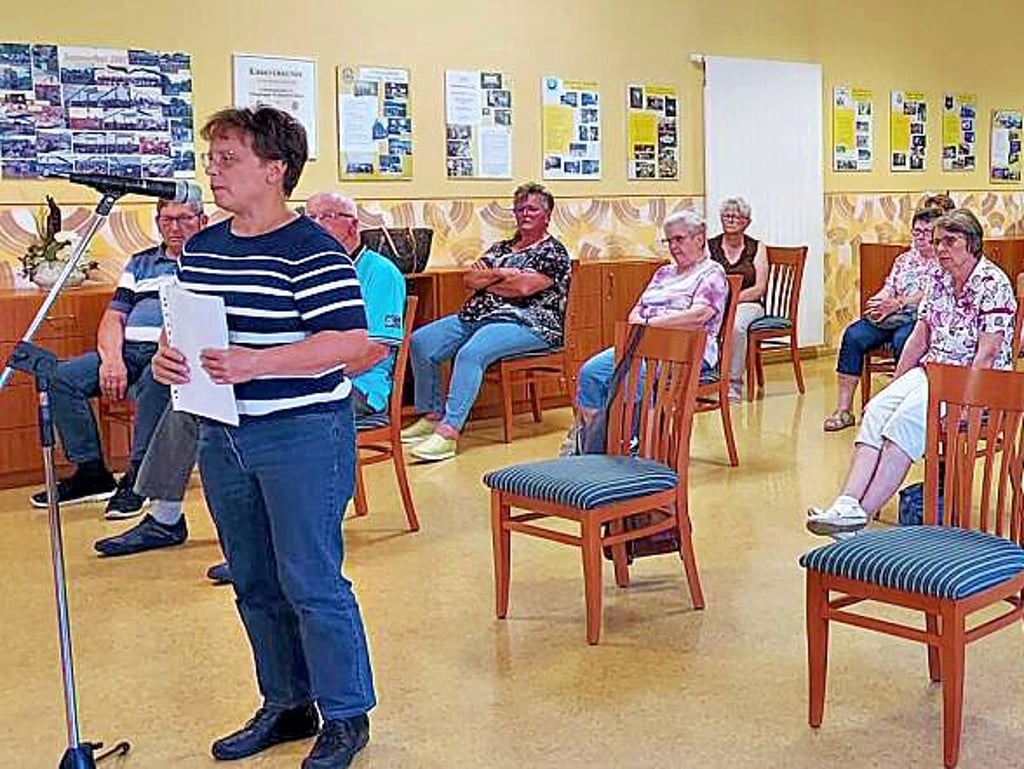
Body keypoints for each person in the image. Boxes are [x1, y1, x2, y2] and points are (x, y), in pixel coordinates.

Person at [151, 107, 379, 768]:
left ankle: (344, 713)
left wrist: (258, 360)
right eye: (212, 158)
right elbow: (187, 330)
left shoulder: (310, 248)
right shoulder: (205, 248)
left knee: (310, 578)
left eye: (228, 159)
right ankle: (286, 702)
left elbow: (353, 341)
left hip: (302, 434)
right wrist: (171, 358)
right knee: (253, 578)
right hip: (224, 436)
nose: (212, 172)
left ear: (275, 170)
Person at [94, 191, 406, 565]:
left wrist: (295, 373)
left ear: (352, 224)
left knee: (260, 414)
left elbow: (373, 350)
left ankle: (269, 544)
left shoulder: (379, 272)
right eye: (310, 215)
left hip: (355, 387)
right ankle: (166, 516)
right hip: (286, 372)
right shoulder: (294, 258)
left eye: (326, 217)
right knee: (189, 406)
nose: (314, 224)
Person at [807, 209, 1017, 538]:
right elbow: (920, 336)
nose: (941, 249)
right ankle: (845, 504)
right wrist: (896, 384)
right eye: (937, 242)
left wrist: (966, 403)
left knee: (903, 423)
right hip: (934, 370)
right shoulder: (937, 277)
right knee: (877, 411)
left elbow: (988, 354)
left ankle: (859, 517)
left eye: (950, 241)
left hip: (977, 382)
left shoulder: (993, 284)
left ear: (972, 243)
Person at [29, 200, 206, 518]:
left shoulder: (211, 262)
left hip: (171, 355)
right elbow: (114, 317)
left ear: (202, 221)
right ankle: (92, 473)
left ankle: (140, 477)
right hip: (127, 351)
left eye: (183, 219)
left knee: (157, 379)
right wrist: (111, 360)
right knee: (60, 377)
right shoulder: (140, 263)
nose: (175, 227)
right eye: (167, 220)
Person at [401, 182, 571, 462]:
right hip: (477, 316)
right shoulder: (501, 248)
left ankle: (448, 432)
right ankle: (432, 414)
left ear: (547, 215)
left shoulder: (553, 252)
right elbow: (469, 279)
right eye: (519, 209)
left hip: (530, 323)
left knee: (471, 353)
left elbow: (524, 289)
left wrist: (488, 279)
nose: (524, 214)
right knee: (421, 342)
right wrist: (503, 273)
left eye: (532, 209)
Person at [575, 210, 728, 423]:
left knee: (634, 373)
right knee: (591, 373)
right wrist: (642, 323)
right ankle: (598, 441)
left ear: (699, 238)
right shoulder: (664, 273)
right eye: (669, 240)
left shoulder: (712, 273)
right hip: (643, 344)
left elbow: (699, 315)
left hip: (685, 347)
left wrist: (651, 324)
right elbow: (636, 310)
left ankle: (638, 442)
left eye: (679, 239)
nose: (673, 246)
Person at [823, 207, 944, 432]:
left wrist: (898, 303)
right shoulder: (904, 259)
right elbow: (889, 287)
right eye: (917, 231)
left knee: (903, 340)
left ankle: (900, 409)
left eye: (927, 232)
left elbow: (930, 296)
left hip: (919, 319)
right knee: (854, 335)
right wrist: (877, 304)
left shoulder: (944, 261)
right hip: (891, 314)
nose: (921, 237)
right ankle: (844, 409)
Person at [707, 197, 768, 402]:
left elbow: (759, 288)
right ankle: (705, 378)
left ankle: (733, 384)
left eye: (735, 216)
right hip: (717, 304)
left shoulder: (757, 247)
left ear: (747, 222)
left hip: (748, 304)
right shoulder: (709, 247)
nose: (730, 220)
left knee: (735, 327)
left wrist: (732, 302)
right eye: (726, 216)